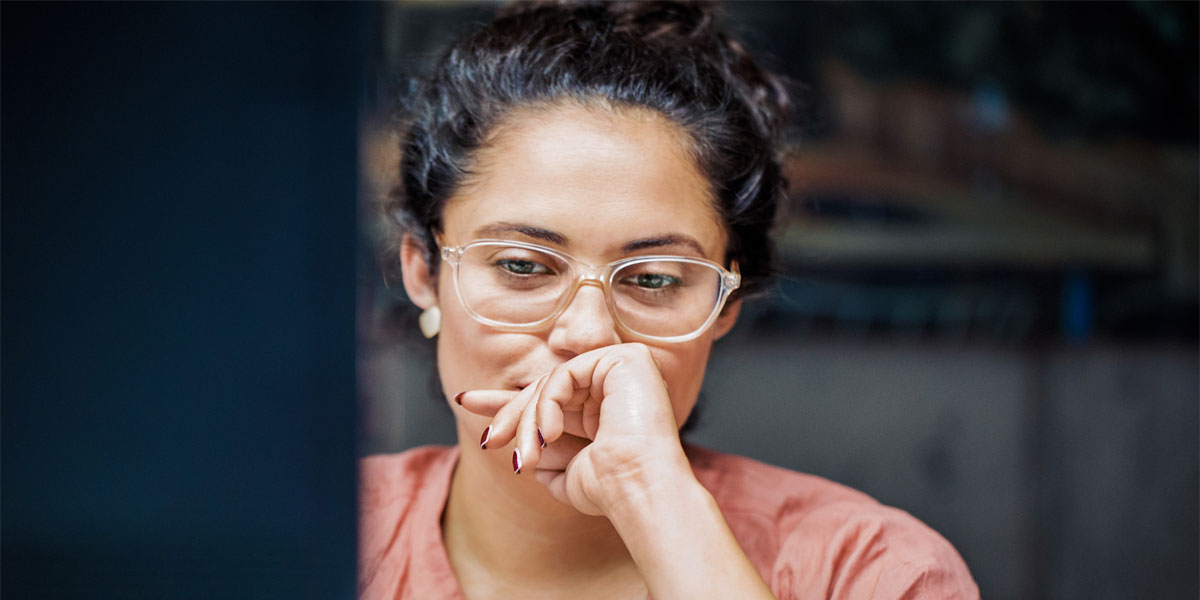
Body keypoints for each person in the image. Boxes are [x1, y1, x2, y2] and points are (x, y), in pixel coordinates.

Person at [360, 2, 979, 598]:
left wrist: (652, 500)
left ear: (727, 303)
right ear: (423, 272)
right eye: (522, 266)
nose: (588, 335)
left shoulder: (873, 573)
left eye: (653, 279)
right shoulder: (310, 537)